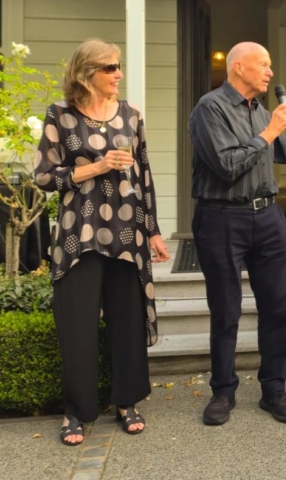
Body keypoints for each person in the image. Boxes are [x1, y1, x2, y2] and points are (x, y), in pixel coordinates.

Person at [34, 38, 170, 446]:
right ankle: (76, 411)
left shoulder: (131, 114)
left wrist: (153, 230)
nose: (118, 74)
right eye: (110, 67)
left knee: (127, 320)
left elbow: (144, 175)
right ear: (85, 73)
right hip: (79, 234)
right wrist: (97, 166)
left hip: (128, 231)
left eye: (118, 66)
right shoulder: (60, 114)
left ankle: (127, 402)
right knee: (78, 325)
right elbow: (44, 177)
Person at [189, 42, 286, 425]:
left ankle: (274, 389)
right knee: (226, 311)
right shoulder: (210, 108)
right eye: (263, 64)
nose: (270, 72)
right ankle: (223, 392)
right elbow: (227, 165)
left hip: (267, 218)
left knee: (276, 310)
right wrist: (270, 130)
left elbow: (284, 149)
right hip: (221, 218)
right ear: (238, 67)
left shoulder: (260, 111)